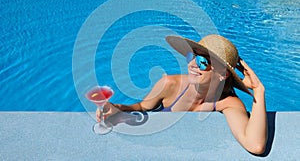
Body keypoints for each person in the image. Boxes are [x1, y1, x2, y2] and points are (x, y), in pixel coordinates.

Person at [97, 34, 267, 154]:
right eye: (191, 56)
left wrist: (258, 91)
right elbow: (142, 106)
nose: (193, 64)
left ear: (223, 74)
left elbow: (255, 145)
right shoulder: (169, 84)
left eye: (202, 62)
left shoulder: (227, 102)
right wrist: (118, 108)